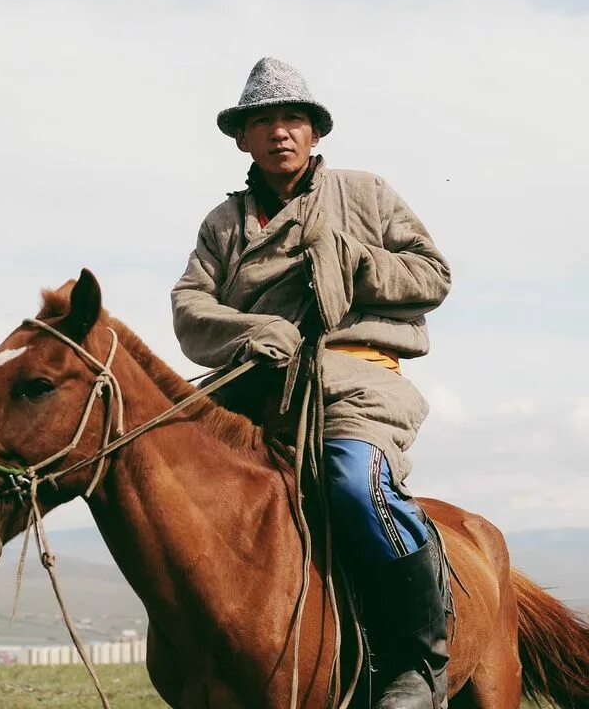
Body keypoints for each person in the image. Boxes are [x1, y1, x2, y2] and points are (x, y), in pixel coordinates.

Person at [171, 56, 451, 709]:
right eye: (262, 121)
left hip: (355, 382)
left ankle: (418, 660)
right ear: (242, 138)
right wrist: (247, 331)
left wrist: (355, 261)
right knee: (162, 467)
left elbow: (433, 275)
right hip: (252, 385)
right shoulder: (223, 223)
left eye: (292, 118)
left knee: (355, 482)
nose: (279, 132)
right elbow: (190, 304)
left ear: (316, 131)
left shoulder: (367, 194)